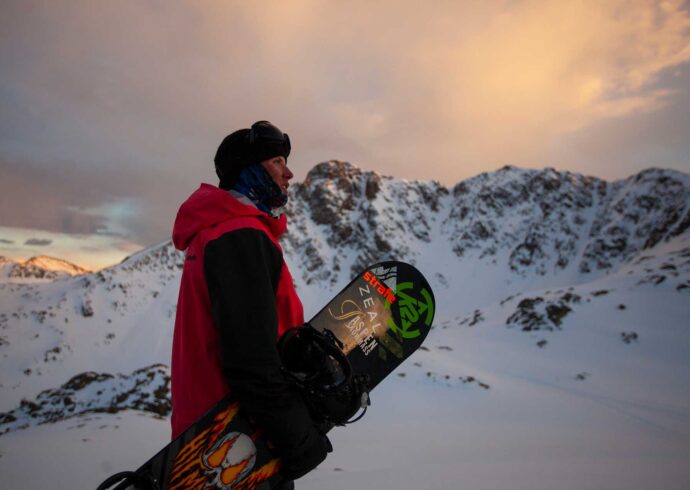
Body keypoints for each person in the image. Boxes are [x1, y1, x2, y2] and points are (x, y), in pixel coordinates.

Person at [170, 121, 331, 487]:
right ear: (250, 169)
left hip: (210, 441)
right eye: (277, 161)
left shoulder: (215, 233)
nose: (289, 173)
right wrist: (299, 440)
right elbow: (250, 361)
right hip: (240, 447)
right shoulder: (239, 235)